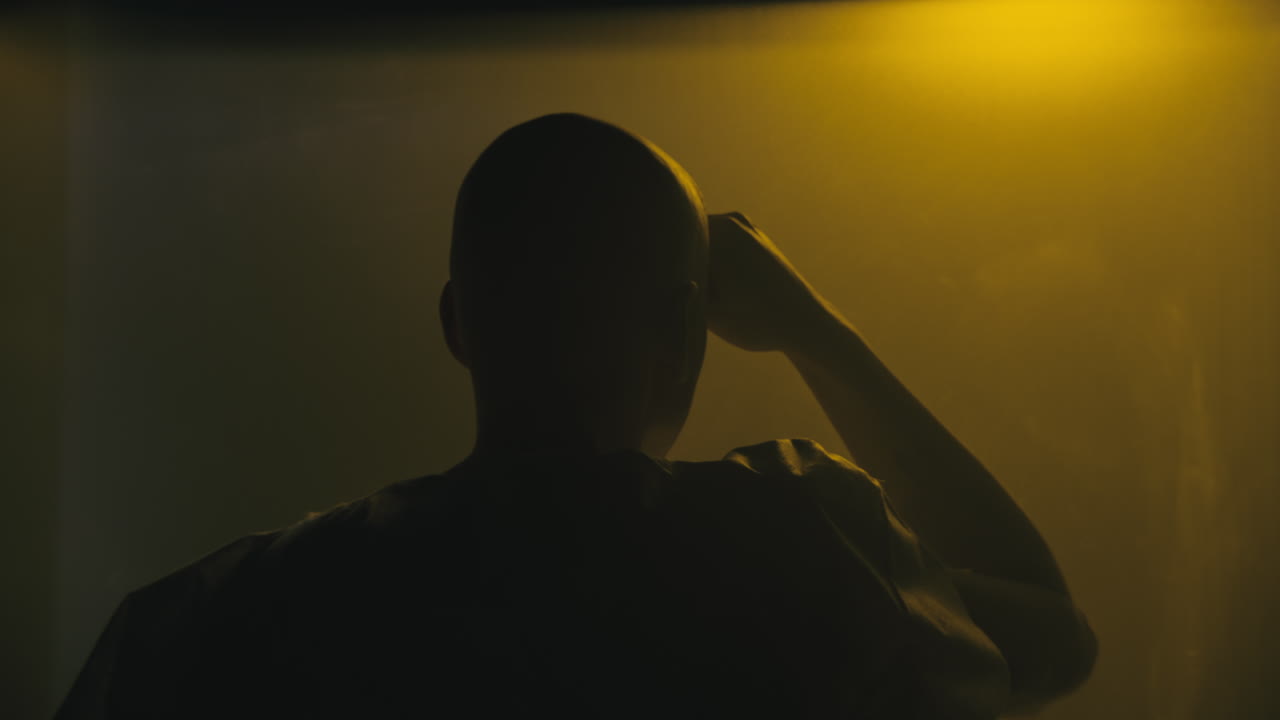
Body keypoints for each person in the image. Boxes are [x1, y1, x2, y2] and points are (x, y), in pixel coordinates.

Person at [56, 113, 1096, 719]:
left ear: (456, 323)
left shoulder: (212, 617)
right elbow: (1051, 637)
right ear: (686, 327)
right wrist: (814, 331)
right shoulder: (809, 546)